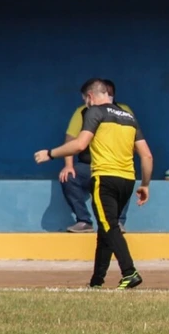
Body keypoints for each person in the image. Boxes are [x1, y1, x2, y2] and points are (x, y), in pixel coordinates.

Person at [34, 79, 153, 289]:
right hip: (127, 180)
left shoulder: (94, 112)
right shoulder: (128, 117)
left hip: (104, 178)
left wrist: (50, 154)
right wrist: (145, 184)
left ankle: (129, 272)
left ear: (89, 97)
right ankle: (97, 280)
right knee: (105, 230)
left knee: (110, 228)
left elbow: (80, 144)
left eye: (85, 99)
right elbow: (147, 156)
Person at [61, 79, 132, 233]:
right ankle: (84, 221)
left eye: (111, 94)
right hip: (89, 166)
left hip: (115, 166)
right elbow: (71, 139)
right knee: (69, 177)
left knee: (124, 176)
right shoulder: (83, 111)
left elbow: (134, 141)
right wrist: (68, 165)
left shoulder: (124, 111)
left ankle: (118, 222)